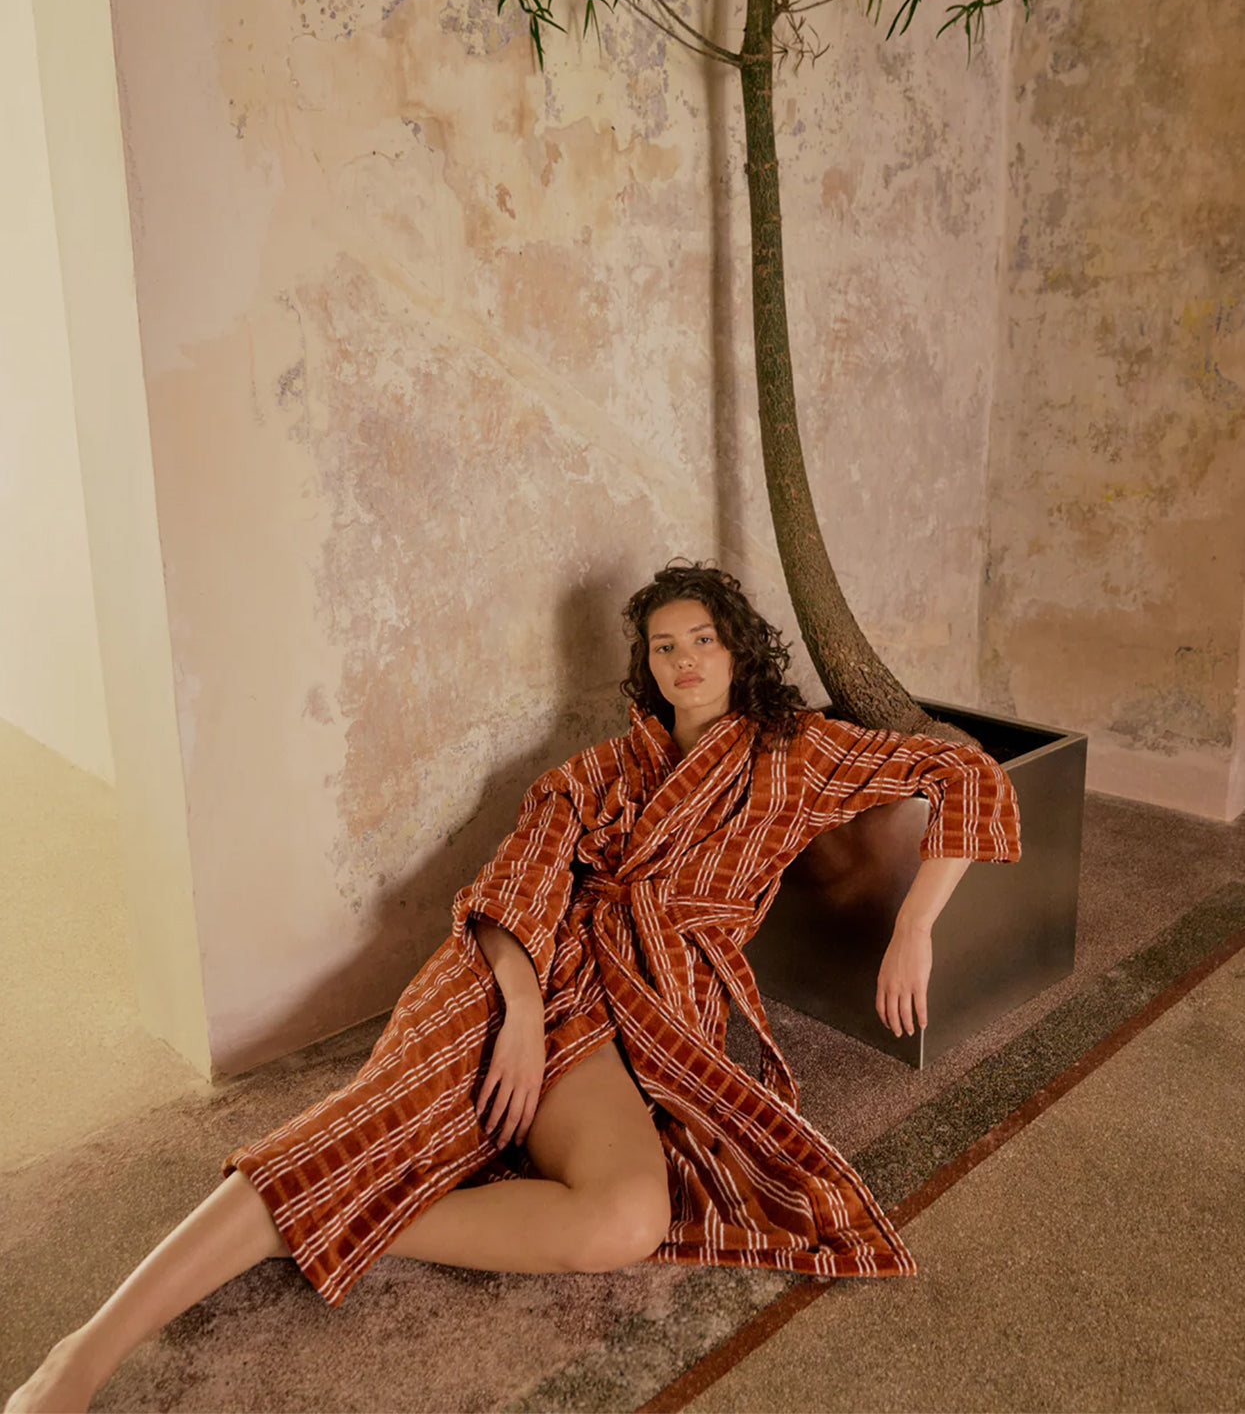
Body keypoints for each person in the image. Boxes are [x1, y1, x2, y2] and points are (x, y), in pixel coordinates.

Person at [5, 561, 1021, 1414]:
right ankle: (80, 1358)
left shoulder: (801, 752)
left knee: (623, 1221)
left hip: (656, 1019)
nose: (685, 659)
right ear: (647, 665)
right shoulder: (596, 772)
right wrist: (523, 1011)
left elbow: (968, 774)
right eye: (664, 646)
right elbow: (515, 885)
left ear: (739, 648)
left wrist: (915, 926)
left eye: (704, 638)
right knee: (378, 1113)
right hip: (535, 975)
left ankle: (330, 1210)